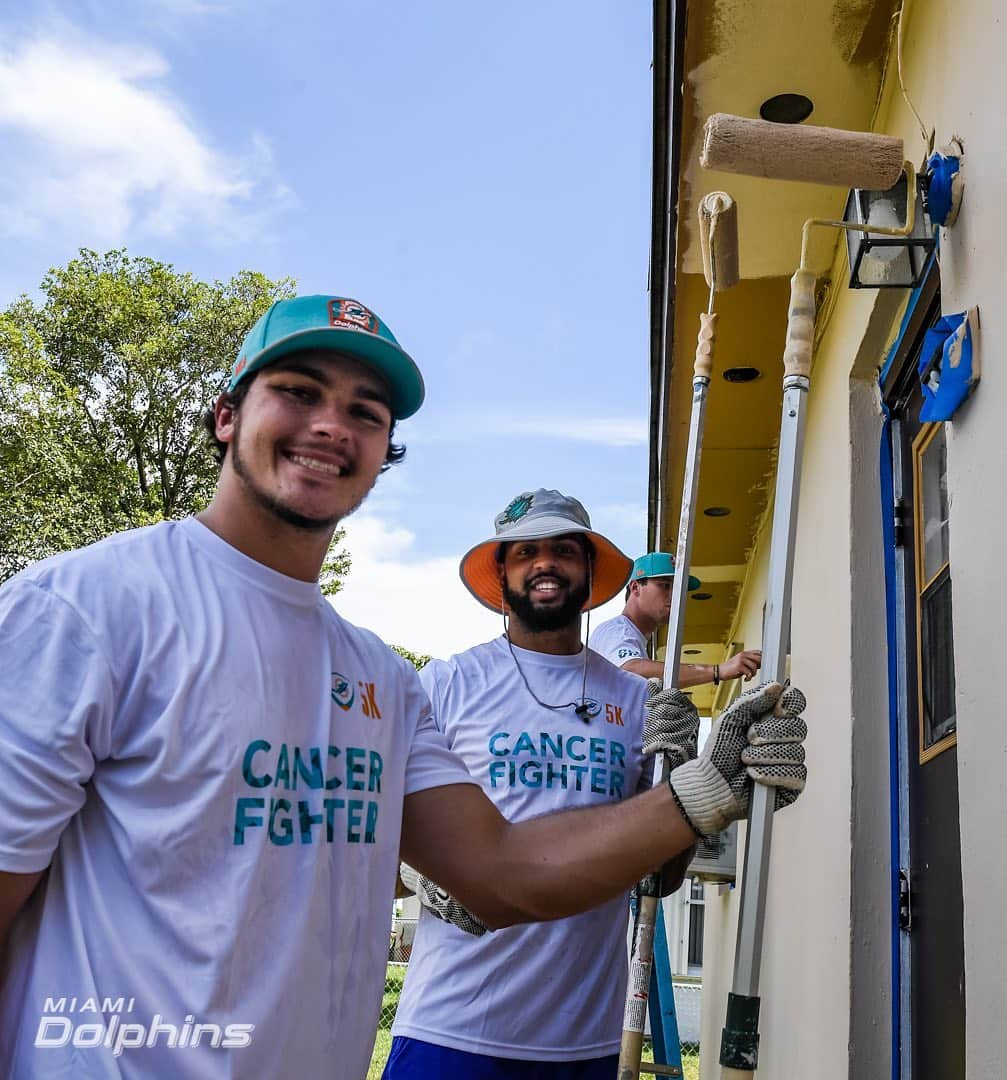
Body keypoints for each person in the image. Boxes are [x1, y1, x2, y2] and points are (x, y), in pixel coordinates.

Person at [0, 296, 809, 1078]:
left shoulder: (378, 677)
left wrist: (702, 789)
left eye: (365, 412)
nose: (330, 425)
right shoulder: (84, 609)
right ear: (226, 416)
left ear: (383, 454)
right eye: (298, 391)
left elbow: (503, 873)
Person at [384, 490, 700, 1079]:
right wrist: (417, 872)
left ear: (589, 569)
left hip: (581, 1043)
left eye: (562, 550)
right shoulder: (448, 684)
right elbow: (376, 838)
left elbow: (664, 876)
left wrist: (680, 784)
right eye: (526, 551)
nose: (545, 563)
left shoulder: (638, 703)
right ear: (502, 571)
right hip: (448, 1029)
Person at [590, 551, 762, 689]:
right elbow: (630, 670)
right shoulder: (615, 630)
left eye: (679, 588)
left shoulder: (635, 640)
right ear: (635, 587)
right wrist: (717, 671)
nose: (675, 595)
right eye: (665, 585)